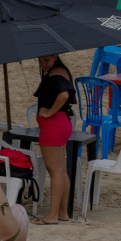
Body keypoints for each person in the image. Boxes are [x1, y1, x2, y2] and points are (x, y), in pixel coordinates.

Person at [31, 54, 75, 225]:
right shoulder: (61, 71)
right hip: (62, 124)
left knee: (55, 172)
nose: (43, 65)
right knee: (61, 171)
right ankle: (62, 213)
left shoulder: (56, 74)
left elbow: (63, 95)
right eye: (40, 61)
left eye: (46, 61)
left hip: (53, 126)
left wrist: (49, 113)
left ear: (55, 56)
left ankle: (52, 215)